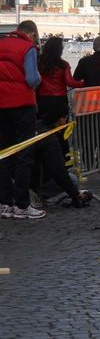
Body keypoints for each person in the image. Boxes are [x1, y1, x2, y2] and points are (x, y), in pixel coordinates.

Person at [0, 20, 46, 219]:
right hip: (23, 105)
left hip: (1, 106)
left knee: (4, 154)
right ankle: (22, 205)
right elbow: (32, 79)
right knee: (24, 154)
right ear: (33, 34)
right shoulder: (28, 48)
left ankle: (4, 204)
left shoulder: (1, 44)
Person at [37, 36, 85, 157]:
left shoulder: (40, 63)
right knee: (61, 131)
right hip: (59, 101)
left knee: (44, 129)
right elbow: (69, 82)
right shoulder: (63, 65)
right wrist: (83, 82)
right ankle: (63, 157)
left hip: (42, 99)